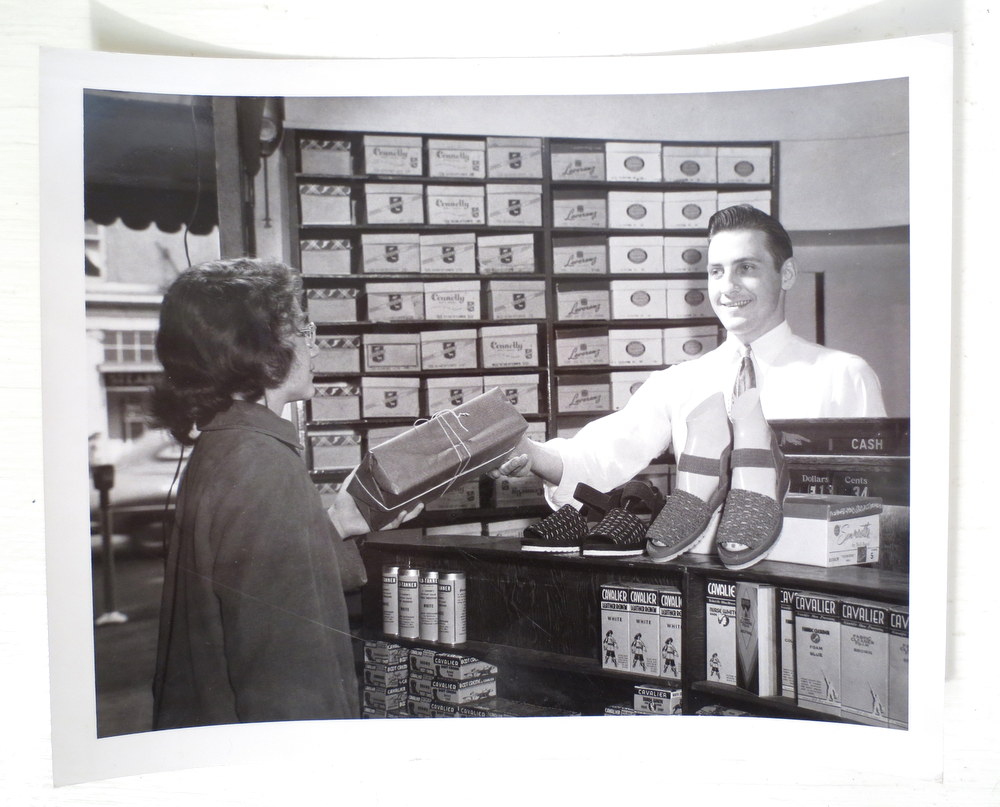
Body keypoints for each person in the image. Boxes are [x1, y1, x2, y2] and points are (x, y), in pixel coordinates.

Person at [495, 204, 886, 564]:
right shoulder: (680, 381)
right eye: (716, 271)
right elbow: (603, 454)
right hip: (701, 575)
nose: (727, 286)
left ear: (786, 274)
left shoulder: (844, 375)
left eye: (746, 267)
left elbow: (881, 504)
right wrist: (527, 451)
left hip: (812, 571)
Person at [150, 258, 419, 729]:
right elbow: (286, 674)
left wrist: (335, 526)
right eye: (302, 328)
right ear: (256, 346)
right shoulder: (261, 462)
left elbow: (253, 587)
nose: (314, 349)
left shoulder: (228, 445)